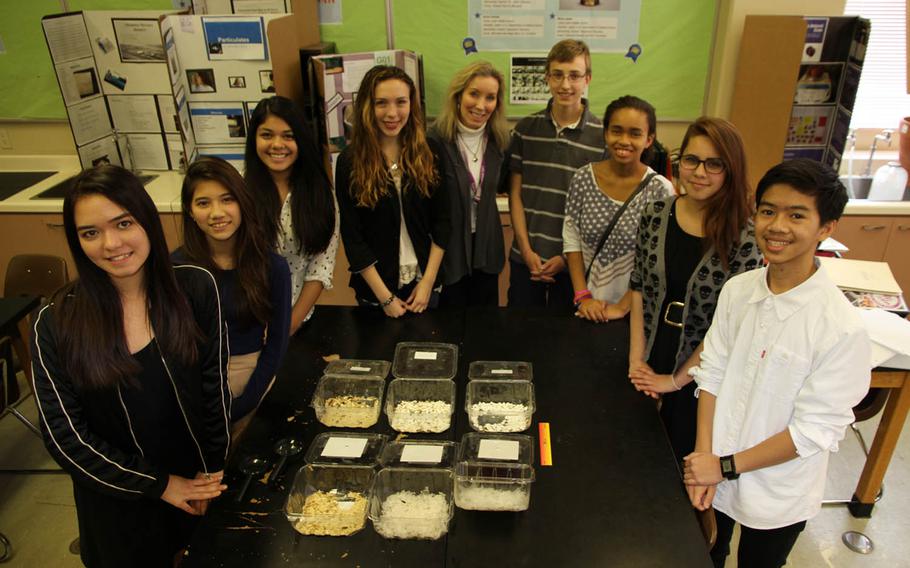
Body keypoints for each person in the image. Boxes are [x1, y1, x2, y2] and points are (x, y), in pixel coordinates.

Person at [31, 165, 230, 568]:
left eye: (123, 223)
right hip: (119, 506)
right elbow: (66, 439)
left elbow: (214, 392)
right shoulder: (55, 323)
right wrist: (159, 486)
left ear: (147, 221)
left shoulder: (195, 288)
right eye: (90, 233)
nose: (111, 243)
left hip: (196, 489)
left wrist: (211, 473)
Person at [683, 159, 871, 568]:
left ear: (826, 228)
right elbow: (711, 372)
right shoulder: (738, 290)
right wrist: (704, 460)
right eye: (768, 211)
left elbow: (813, 429)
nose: (777, 226)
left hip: (777, 488)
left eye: (796, 215)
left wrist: (724, 466)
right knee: (704, 554)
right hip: (715, 466)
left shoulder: (840, 327)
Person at [628, 117, 763, 462]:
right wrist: (636, 362)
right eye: (691, 160)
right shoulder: (656, 213)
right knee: (637, 455)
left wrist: (673, 382)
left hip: (702, 372)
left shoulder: (745, 233)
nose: (700, 172)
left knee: (680, 461)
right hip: (652, 350)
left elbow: (729, 325)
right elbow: (639, 287)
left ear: (731, 169)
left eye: (714, 163)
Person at [174, 156, 291, 437]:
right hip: (192, 387)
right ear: (190, 211)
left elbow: (276, 344)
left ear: (242, 203)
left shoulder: (273, 267)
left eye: (227, 200)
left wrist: (241, 406)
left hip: (250, 378)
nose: (217, 213)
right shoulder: (176, 269)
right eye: (203, 203)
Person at [335, 65, 450, 317]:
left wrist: (428, 283)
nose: (392, 113)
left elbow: (443, 222)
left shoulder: (430, 152)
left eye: (401, 102)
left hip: (425, 286)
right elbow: (353, 237)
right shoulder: (350, 161)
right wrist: (385, 298)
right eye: (381, 103)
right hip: (376, 292)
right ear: (367, 106)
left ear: (412, 104)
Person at [506, 39, 604, 308]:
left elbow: (598, 210)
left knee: (565, 342)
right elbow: (515, 194)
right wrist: (526, 251)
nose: (565, 85)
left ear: (587, 79)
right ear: (547, 78)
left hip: (574, 265)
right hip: (526, 260)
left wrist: (566, 257)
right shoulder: (525, 130)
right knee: (520, 335)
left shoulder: (602, 137)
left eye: (574, 75)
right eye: (558, 75)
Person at [563, 95, 674, 322]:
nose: (624, 140)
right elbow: (571, 237)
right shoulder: (583, 178)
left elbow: (658, 259)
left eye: (635, 133)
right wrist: (583, 296)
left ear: (649, 139)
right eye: (616, 131)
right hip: (584, 306)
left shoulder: (660, 190)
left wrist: (623, 308)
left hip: (637, 312)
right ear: (605, 133)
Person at [244, 96, 338, 334]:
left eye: (288, 136)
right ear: (254, 139)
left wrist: (289, 324)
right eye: (267, 135)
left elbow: (320, 266)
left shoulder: (320, 195)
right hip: (246, 321)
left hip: (298, 321)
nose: (277, 144)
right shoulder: (238, 193)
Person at [430, 61, 510, 307]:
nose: (480, 105)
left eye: (490, 97)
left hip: (486, 247)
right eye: (474, 94)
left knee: (485, 325)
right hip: (449, 249)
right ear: (458, 95)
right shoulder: (434, 141)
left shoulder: (500, 141)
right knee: (450, 325)